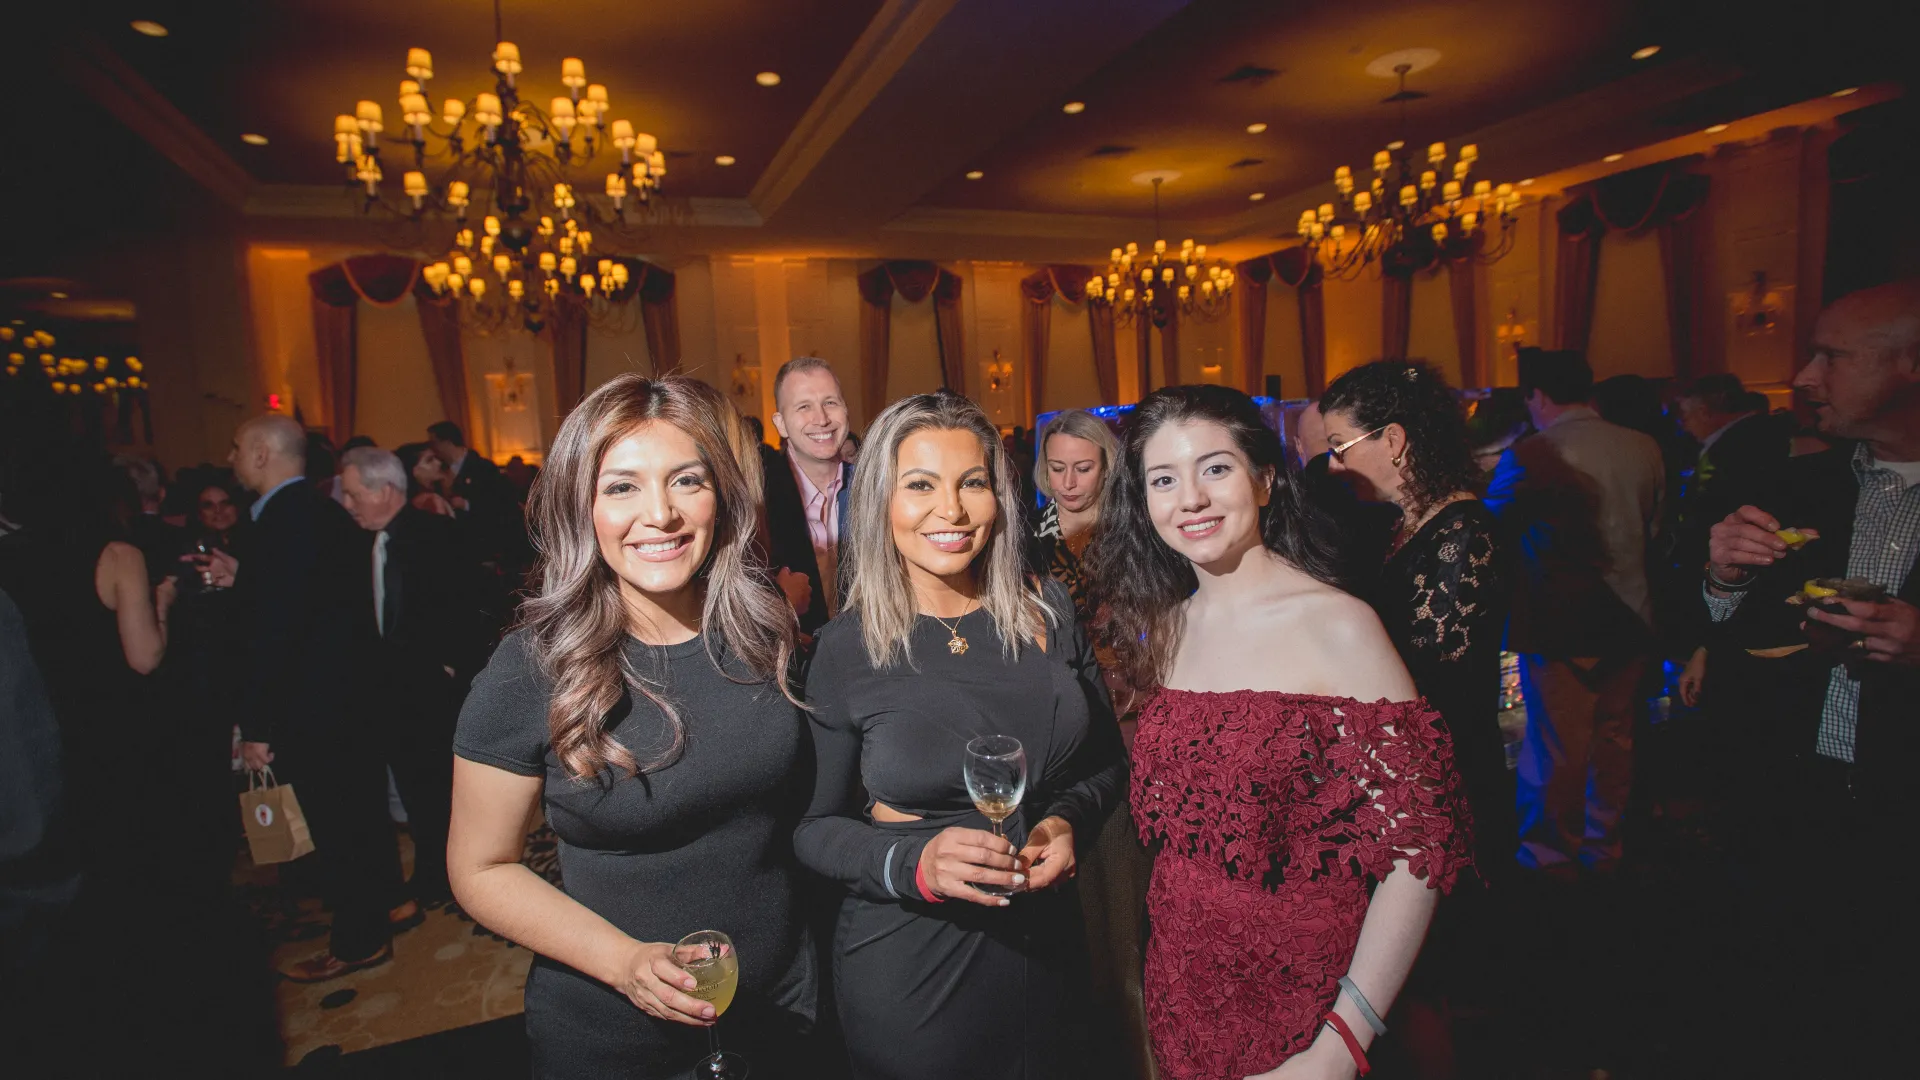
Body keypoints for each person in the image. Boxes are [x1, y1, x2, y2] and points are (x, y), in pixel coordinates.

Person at [1092, 385, 1469, 1080]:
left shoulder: (1338, 625)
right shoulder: (1166, 629)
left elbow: (1422, 852)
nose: (1191, 500)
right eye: (1164, 480)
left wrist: (1341, 1043)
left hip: (1304, 1005)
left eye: (1215, 468)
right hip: (1181, 992)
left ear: (1265, 480)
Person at [449, 375, 816, 1078]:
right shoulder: (532, 666)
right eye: (621, 487)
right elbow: (480, 867)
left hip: (782, 1013)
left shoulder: (759, 629)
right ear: (580, 506)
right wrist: (624, 963)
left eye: (686, 481)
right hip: (619, 1037)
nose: (661, 514)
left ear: (722, 497)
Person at [793, 390, 1125, 1080]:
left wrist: (1062, 823)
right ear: (881, 501)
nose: (951, 510)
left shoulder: (1046, 611)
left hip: (1049, 955)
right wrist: (915, 863)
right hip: (916, 974)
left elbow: (1104, 764)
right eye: (920, 486)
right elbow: (812, 828)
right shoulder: (846, 648)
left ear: (999, 495)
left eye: (972, 482)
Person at [1696, 278, 1920, 1073]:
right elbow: (1739, 639)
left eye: (1831, 356)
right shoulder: (1803, 485)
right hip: (1792, 801)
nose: (1803, 378)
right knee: (1786, 1008)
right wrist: (1724, 579)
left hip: (1905, 814)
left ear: (1910, 364)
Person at [221, 414, 407, 981]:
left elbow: (275, 631)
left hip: (312, 705)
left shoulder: (281, 520)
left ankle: (357, 942)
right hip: (349, 695)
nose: (230, 459)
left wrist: (256, 723)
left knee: (336, 823)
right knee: (364, 810)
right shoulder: (323, 510)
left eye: (235, 447)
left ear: (258, 454)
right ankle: (392, 901)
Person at [1319, 361, 1512, 881]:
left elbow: (1432, 680)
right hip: (1403, 765)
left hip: (1446, 771)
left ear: (1394, 439)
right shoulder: (1403, 524)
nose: (1335, 466)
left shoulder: (1464, 534)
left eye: (1340, 447)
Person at [1485, 349, 1664, 872]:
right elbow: (1657, 530)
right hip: (1635, 614)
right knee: (1615, 738)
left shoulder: (1535, 453)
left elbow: (1489, 530)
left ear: (1537, 396)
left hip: (1563, 622)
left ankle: (1548, 855)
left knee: (1555, 746)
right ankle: (1604, 843)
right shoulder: (1643, 445)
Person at [1026, 408, 1155, 1080]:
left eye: (1084, 467)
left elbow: (1152, 647)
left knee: (1126, 908)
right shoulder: (1027, 545)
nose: (1070, 482)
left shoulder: (1137, 539)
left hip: (1129, 735)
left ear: (1107, 468)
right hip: (1056, 741)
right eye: (1058, 468)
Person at [341, 446, 488, 908]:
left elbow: (469, 605)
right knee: (412, 790)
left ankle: (459, 875)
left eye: (353, 495)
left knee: (442, 789)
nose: (348, 505)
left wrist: (450, 665)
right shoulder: (356, 542)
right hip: (382, 691)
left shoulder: (434, 535)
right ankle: (431, 873)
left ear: (384, 491)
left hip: (430, 690)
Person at [762, 357, 853, 636]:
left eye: (830, 403)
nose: (822, 419)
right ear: (781, 425)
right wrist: (780, 614)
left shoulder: (877, 487)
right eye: (804, 407)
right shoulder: (757, 498)